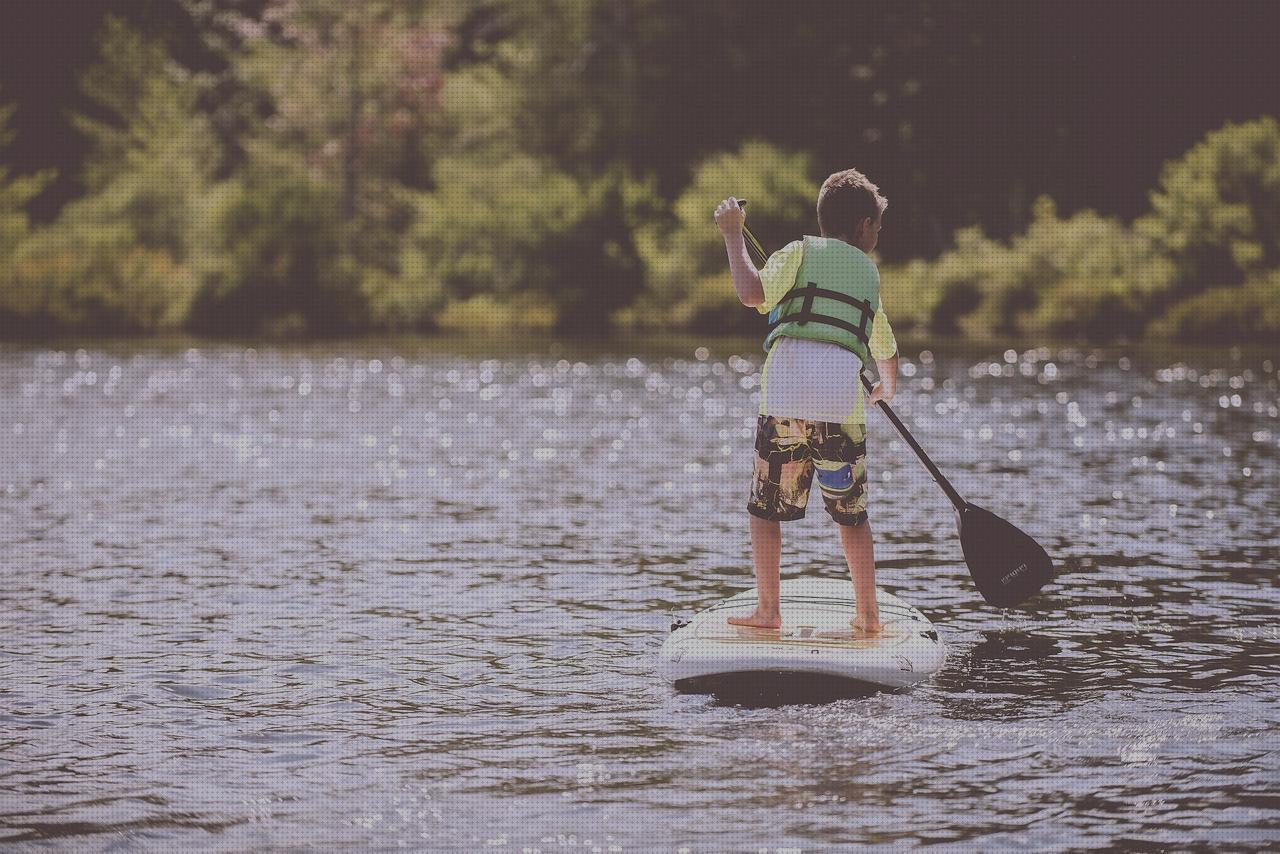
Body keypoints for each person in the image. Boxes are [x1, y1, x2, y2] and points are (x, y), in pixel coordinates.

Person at [713, 169, 899, 635]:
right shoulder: (868, 274)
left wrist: (734, 237)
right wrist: (887, 385)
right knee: (851, 516)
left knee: (766, 510)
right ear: (861, 225)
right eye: (876, 226)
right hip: (841, 409)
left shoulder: (797, 252)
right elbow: (884, 346)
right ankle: (869, 615)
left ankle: (769, 611)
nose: (878, 234)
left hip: (785, 403)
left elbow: (750, 292)